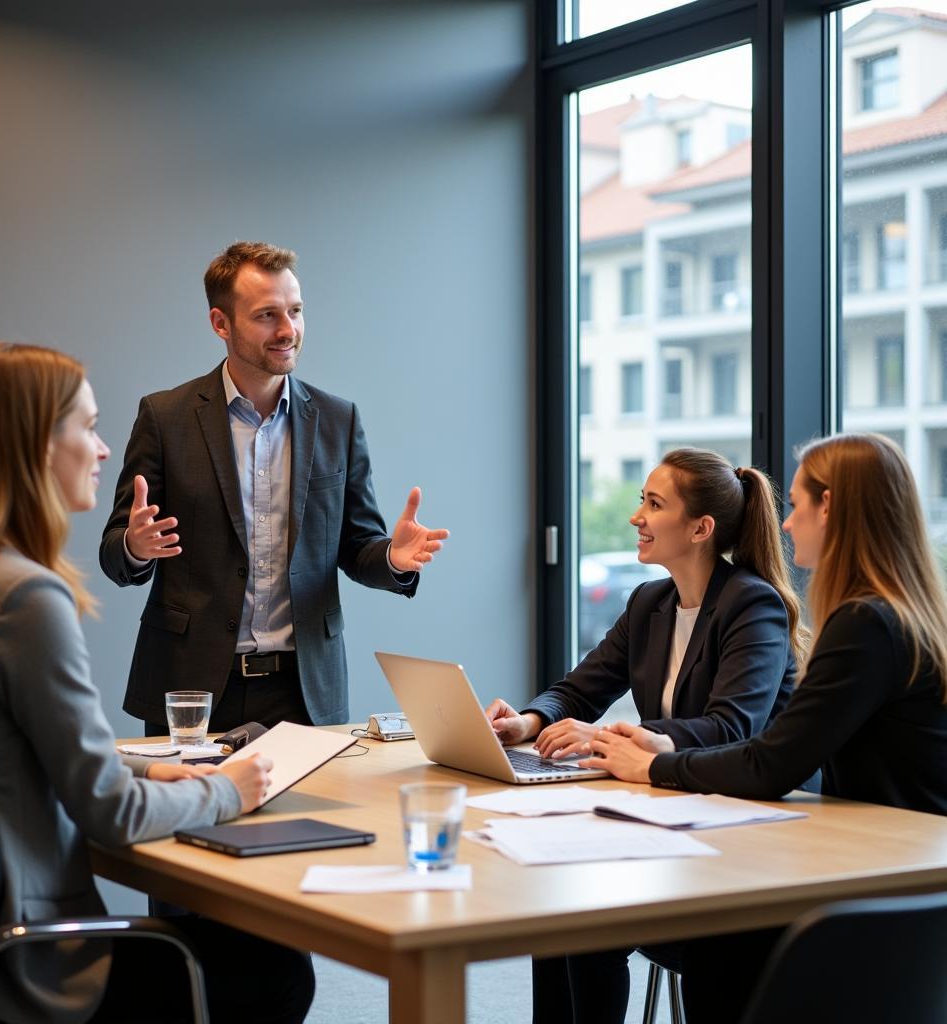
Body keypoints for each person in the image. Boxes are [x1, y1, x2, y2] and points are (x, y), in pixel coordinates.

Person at [0, 342, 314, 1024]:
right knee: (277, 971)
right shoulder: (23, 599)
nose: (102, 450)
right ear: (36, 445)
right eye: (87, 427)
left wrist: (134, 767)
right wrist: (228, 789)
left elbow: (12, 751)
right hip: (35, 969)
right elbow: (114, 817)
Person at [588, 433, 947, 1024]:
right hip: (899, 869)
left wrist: (653, 764)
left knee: (717, 934)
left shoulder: (864, 625)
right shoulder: (894, 614)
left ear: (831, 507)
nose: (786, 525)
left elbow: (770, 763)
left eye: (800, 505)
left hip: (891, 889)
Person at [483, 447, 808, 1024]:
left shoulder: (751, 604)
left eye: (654, 504)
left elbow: (731, 726)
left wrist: (610, 737)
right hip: (671, 817)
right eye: (641, 501)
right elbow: (578, 688)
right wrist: (528, 723)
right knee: (567, 907)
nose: (637, 516)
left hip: (741, 842)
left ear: (701, 528)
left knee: (585, 909)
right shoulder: (650, 602)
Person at [100, 241, 448, 736]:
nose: (288, 330)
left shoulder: (337, 420)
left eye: (296, 311)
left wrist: (392, 557)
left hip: (303, 692)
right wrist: (134, 547)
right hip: (190, 686)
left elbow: (356, 547)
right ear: (221, 324)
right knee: (193, 817)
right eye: (267, 315)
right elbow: (114, 555)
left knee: (308, 819)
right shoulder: (165, 417)